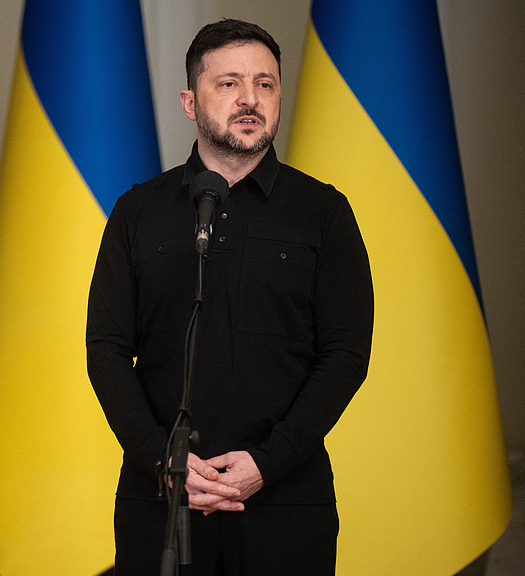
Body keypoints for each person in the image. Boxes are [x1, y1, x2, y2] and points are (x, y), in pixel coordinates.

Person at [86, 19, 373, 575]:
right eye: (229, 83)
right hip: (160, 502)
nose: (250, 99)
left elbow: (345, 355)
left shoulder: (324, 213)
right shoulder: (137, 212)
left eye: (265, 84)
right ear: (190, 102)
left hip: (286, 506)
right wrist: (161, 459)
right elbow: (107, 350)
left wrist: (268, 462)